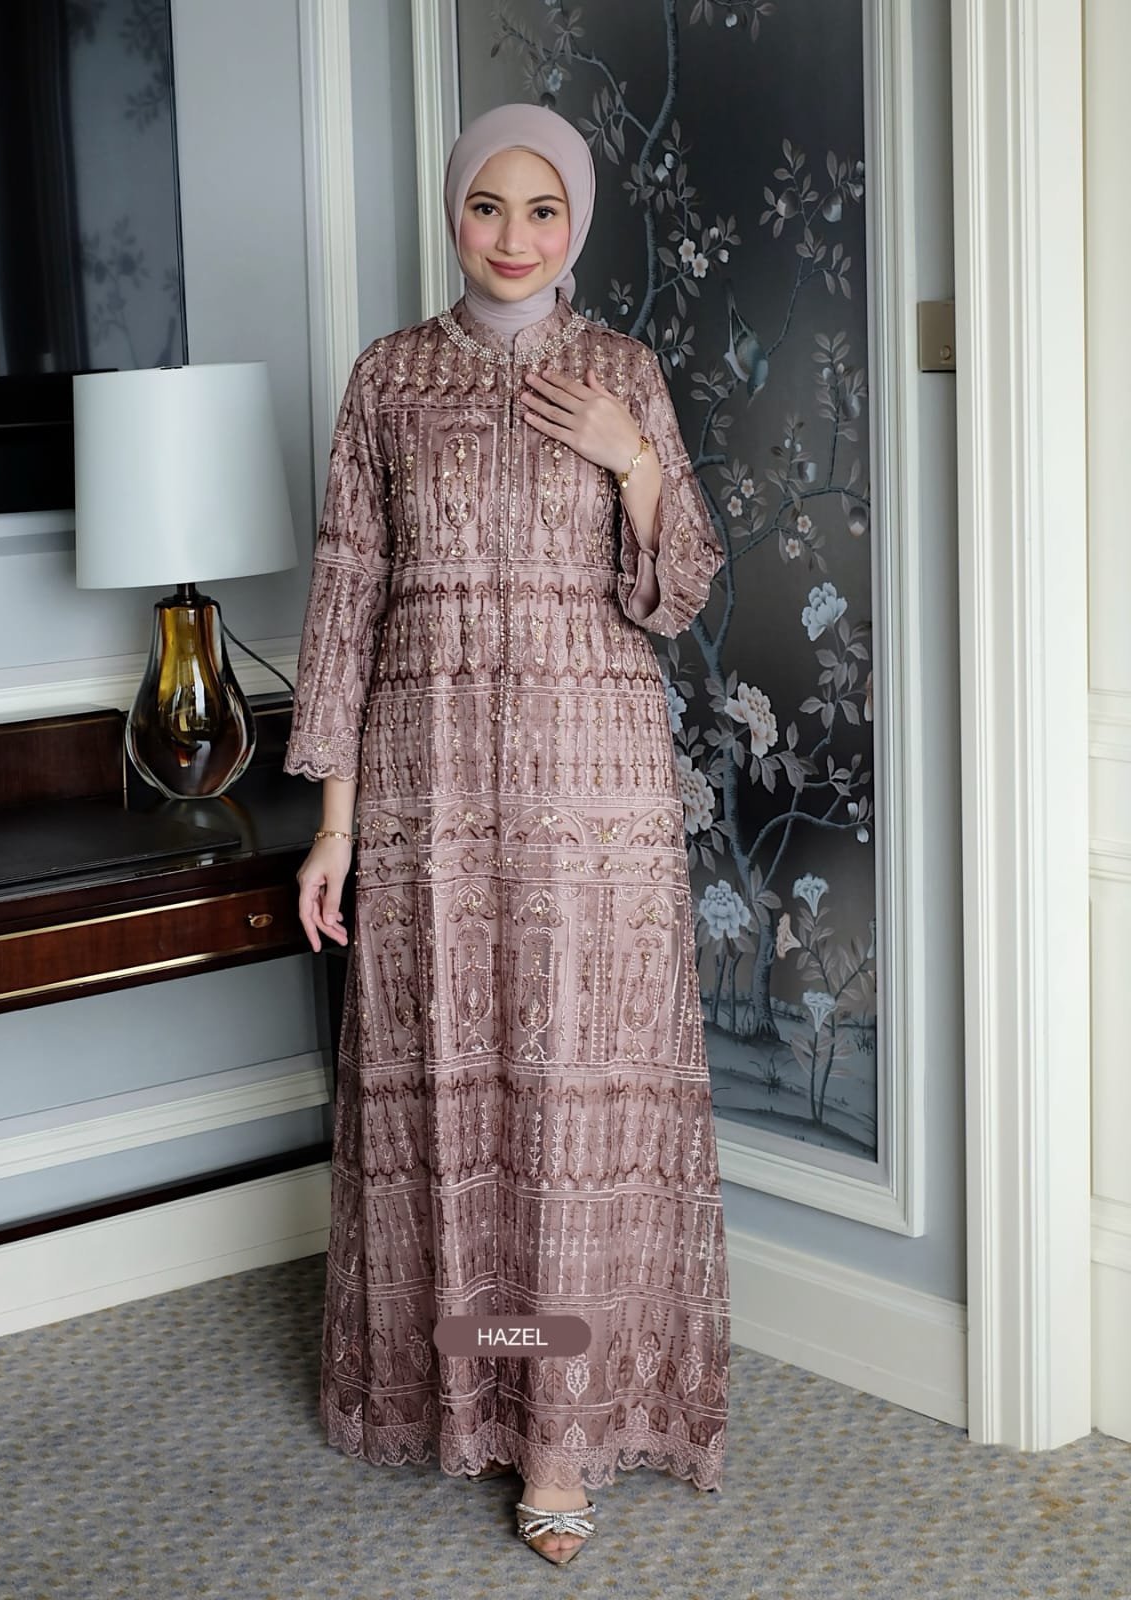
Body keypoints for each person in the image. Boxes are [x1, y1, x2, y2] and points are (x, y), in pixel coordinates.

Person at [283, 101, 729, 1567]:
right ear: (454, 213)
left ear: (576, 222)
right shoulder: (388, 377)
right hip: (427, 794)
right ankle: (472, 1390)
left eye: (544, 210)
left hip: (593, 794)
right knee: (456, 1094)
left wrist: (634, 459)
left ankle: (563, 1434)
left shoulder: (622, 372)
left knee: (579, 1099)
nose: (515, 237)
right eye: (489, 205)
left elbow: (679, 592)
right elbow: (346, 599)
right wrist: (335, 826)